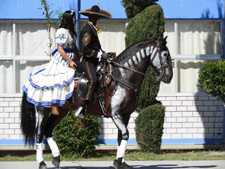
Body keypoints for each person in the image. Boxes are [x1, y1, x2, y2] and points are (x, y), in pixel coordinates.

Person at [22, 10, 80, 115]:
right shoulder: (61, 31)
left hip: (72, 57)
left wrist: (80, 56)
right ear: (68, 19)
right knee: (60, 78)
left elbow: (74, 46)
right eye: (73, 18)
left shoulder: (71, 31)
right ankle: (54, 105)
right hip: (62, 59)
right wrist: (70, 61)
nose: (75, 20)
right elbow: (60, 49)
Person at [75, 5, 113, 119]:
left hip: (95, 61)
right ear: (96, 18)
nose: (99, 20)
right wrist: (101, 54)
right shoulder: (87, 30)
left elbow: (96, 48)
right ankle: (82, 106)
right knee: (93, 80)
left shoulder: (92, 29)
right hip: (88, 61)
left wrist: (107, 53)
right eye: (98, 18)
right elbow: (84, 50)